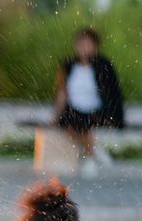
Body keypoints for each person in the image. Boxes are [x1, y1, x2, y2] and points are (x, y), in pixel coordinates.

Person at [53, 27, 124, 179]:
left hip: (98, 108)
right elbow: (62, 91)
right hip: (74, 108)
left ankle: (90, 158)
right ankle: (93, 151)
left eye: (88, 44)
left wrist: (114, 114)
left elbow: (113, 93)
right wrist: (56, 114)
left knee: (84, 122)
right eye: (81, 44)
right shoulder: (69, 65)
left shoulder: (103, 65)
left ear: (95, 46)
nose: (84, 47)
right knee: (65, 122)